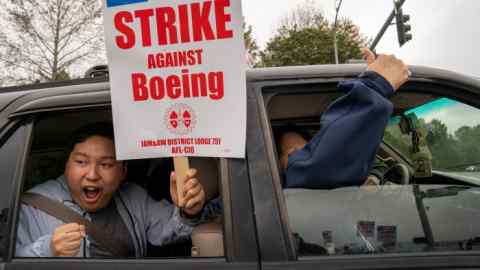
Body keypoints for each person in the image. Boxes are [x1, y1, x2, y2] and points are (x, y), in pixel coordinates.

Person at [16, 122, 208, 257]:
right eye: (81, 162)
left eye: (106, 164)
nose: (92, 174)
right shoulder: (33, 205)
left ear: (123, 172)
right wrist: (48, 250)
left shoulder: (133, 196)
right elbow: (8, 259)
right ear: (66, 167)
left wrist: (189, 211)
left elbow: (170, 229)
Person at [278, 48, 409, 189]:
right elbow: (318, 168)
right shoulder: (291, 190)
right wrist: (375, 86)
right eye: (292, 152)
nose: (298, 157)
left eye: (305, 149)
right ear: (277, 162)